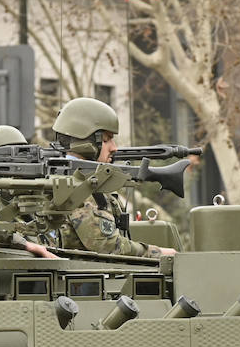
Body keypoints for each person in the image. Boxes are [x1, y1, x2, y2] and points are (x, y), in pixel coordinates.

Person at [51, 96, 175, 258]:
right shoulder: (76, 185)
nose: (114, 148)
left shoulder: (84, 179)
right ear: (87, 142)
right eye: (106, 140)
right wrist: (158, 253)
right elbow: (107, 246)